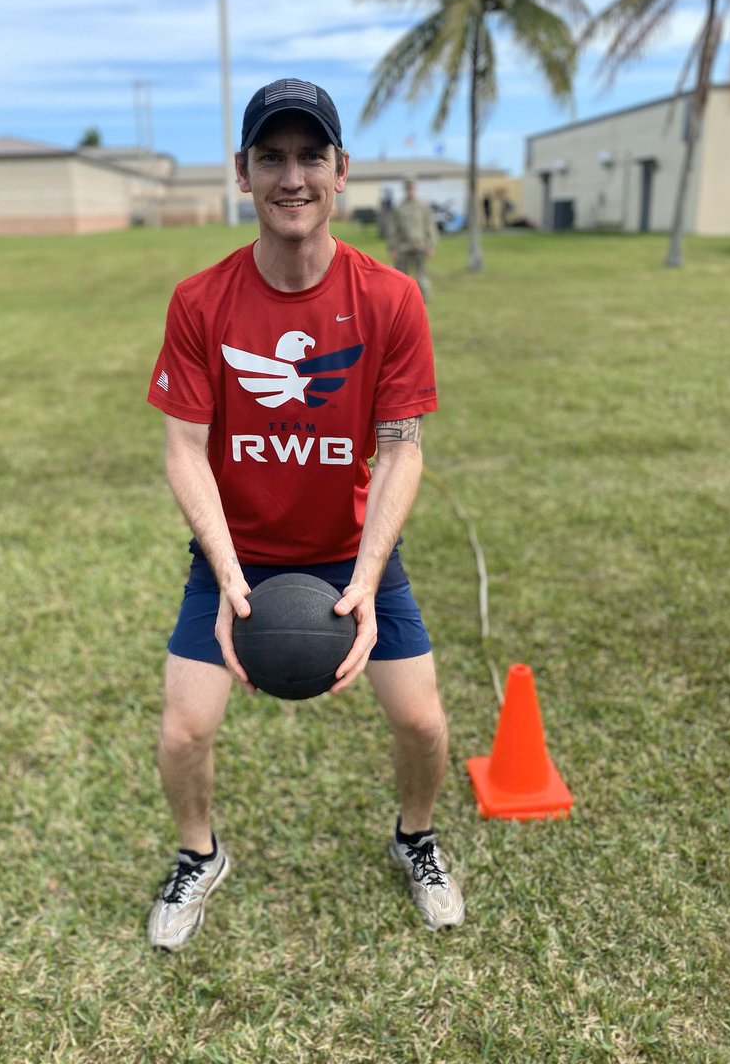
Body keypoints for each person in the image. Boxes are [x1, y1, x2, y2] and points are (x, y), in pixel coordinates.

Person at [146, 78, 464, 952]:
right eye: (272, 158)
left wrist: (366, 579)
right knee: (184, 727)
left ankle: (416, 837)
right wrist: (226, 574)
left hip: (351, 551)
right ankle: (199, 853)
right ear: (242, 173)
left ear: (340, 170)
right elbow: (184, 450)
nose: (293, 177)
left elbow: (400, 449)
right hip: (237, 551)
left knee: (421, 719)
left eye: (310, 157)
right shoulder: (200, 301)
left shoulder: (391, 298)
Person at [386, 178, 436, 302]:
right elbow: (393, 229)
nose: (410, 191)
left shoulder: (423, 207)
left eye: (412, 188)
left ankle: (424, 301)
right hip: (403, 246)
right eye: (408, 188)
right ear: (405, 189)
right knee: (401, 276)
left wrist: (431, 245)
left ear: (415, 188)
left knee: (422, 276)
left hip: (420, 245)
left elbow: (430, 227)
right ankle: (404, 302)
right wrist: (392, 248)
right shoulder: (399, 208)